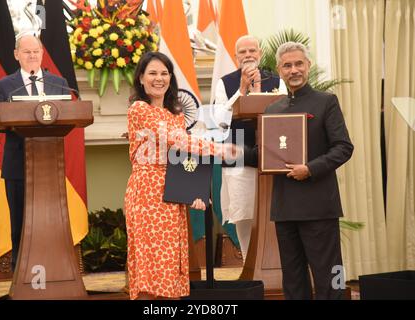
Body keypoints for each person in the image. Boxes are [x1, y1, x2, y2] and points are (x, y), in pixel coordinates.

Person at [125, 51, 239, 300]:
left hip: (173, 192)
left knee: (171, 263)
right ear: (141, 78)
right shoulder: (138, 109)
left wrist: (195, 193)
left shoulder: (175, 114)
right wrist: (218, 149)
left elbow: (184, 159)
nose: (159, 79)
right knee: (150, 266)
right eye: (152, 73)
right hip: (147, 192)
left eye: (164, 73)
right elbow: (177, 141)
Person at [266, 41, 354, 299]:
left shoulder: (327, 102)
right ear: (279, 70)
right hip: (284, 208)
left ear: (308, 66)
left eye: (298, 64)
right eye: (287, 65)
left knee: (331, 278)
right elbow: (266, 154)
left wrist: (310, 169)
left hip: (319, 207)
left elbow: (343, 147)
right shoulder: (273, 109)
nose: (294, 70)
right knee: (293, 281)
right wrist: (232, 152)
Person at [0, 34, 71, 270]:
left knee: (51, 222)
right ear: (16, 55)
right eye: (27, 52)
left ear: (42, 53)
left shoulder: (59, 83)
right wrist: (8, 119)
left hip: (50, 165)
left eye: (36, 51)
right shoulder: (4, 85)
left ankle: (55, 270)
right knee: (21, 224)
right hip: (17, 166)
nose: (32, 56)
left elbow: (69, 116)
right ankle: (20, 275)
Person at [213, 35, 287, 262]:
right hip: (239, 158)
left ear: (260, 54)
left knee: (272, 214)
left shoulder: (277, 80)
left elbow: (285, 112)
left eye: (252, 50)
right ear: (236, 57)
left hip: (271, 156)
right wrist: (242, 90)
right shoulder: (225, 83)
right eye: (242, 52)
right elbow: (219, 119)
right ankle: (248, 263)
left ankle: (274, 265)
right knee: (244, 214)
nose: (248, 55)